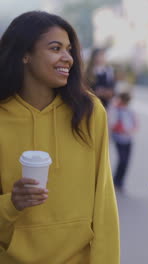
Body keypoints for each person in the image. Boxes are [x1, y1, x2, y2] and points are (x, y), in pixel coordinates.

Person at [0, 11, 119, 263]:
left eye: (69, 50)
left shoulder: (89, 111)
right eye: (55, 48)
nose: (68, 58)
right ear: (24, 54)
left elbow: (104, 202)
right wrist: (12, 202)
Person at [108, 92, 138, 191]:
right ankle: (116, 180)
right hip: (119, 137)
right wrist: (121, 130)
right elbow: (112, 123)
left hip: (128, 138)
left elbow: (135, 123)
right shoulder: (115, 109)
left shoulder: (130, 110)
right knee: (122, 160)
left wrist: (131, 130)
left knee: (126, 162)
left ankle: (120, 182)